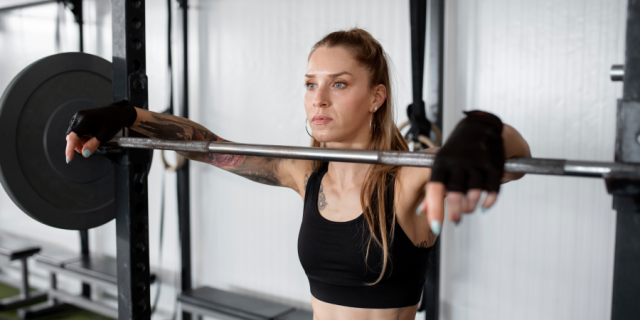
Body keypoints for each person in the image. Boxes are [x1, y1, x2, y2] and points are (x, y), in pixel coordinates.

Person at [65, 28, 530, 320]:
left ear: (377, 97)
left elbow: (517, 157)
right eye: (311, 84)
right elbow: (210, 148)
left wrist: (481, 131)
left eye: (339, 84)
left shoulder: (405, 180)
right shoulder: (306, 173)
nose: (318, 99)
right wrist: (128, 117)